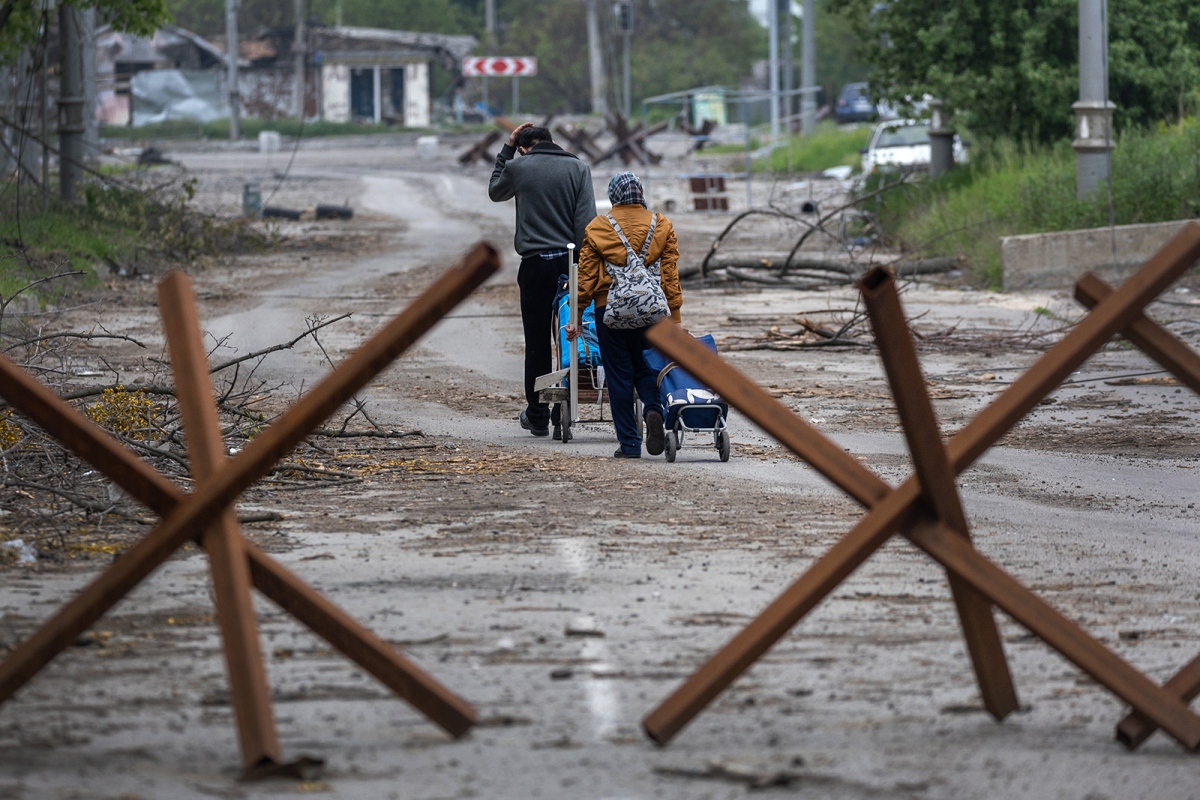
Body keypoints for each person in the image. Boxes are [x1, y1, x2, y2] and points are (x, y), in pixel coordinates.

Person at [489, 122, 596, 440]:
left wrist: (507, 148)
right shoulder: (579, 168)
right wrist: (583, 270)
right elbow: (585, 223)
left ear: (524, 147)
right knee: (567, 338)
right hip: (569, 266)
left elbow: (496, 191)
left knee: (537, 345)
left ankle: (538, 415)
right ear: (551, 141)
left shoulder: (519, 166)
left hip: (534, 266)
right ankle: (561, 406)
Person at [568, 172, 682, 458]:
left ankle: (630, 444)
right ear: (641, 194)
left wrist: (577, 315)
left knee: (619, 375)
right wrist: (676, 318)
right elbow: (669, 276)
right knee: (646, 368)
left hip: (611, 310)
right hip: (652, 312)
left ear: (613, 197)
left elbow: (586, 280)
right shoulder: (662, 225)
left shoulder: (598, 228)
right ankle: (654, 410)